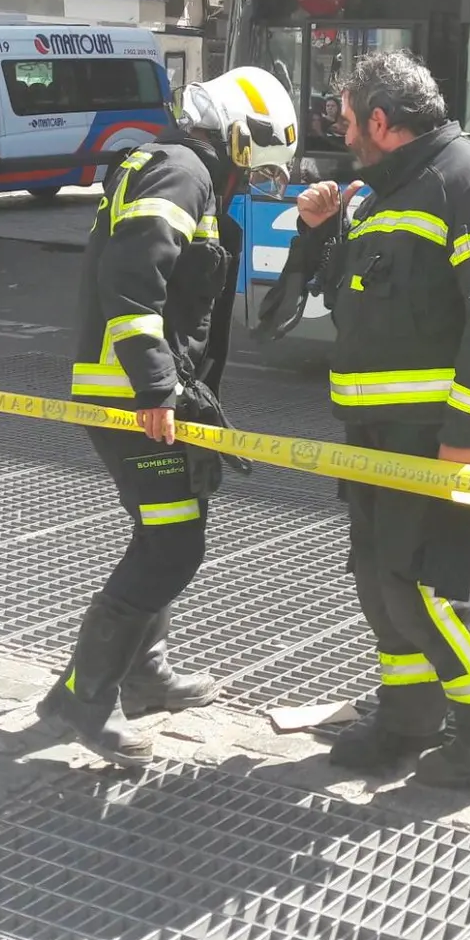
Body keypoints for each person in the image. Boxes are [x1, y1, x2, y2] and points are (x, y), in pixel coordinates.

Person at [287, 49, 470, 785]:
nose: (342, 136)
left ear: (379, 120)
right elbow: (348, 301)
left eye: (346, 122)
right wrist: (318, 233)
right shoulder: (381, 194)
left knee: (431, 585)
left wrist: (465, 438)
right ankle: (408, 719)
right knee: (380, 579)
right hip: (374, 435)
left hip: (434, 438)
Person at [36, 66, 297, 767]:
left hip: (141, 395)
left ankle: (146, 672)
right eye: (265, 155)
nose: (265, 174)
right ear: (240, 134)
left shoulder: (181, 169)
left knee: (168, 530)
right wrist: (154, 390)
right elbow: (133, 279)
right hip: (131, 399)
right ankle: (81, 696)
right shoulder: (184, 171)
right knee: (171, 546)